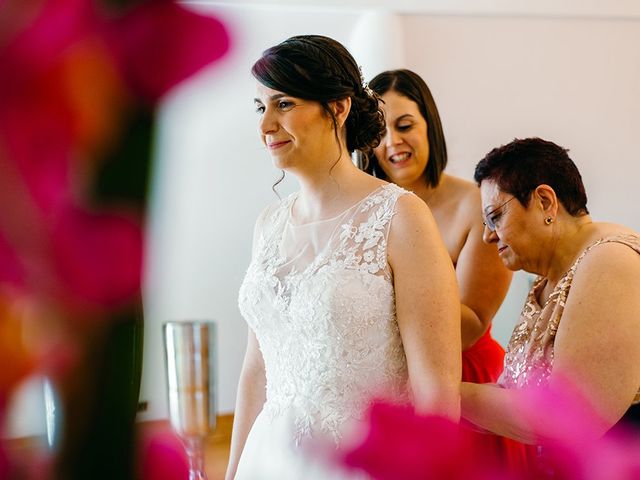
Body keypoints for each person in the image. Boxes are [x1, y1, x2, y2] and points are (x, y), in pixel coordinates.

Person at [225, 36, 461, 480]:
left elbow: (437, 394)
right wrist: (233, 471)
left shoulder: (400, 216)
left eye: (284, 103)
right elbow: (257, 370)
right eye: (261, 108)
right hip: (268, 463)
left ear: (338, 107)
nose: (266, 126)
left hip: (360, 465)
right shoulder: (267, 225)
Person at [367, 69, 531, 471]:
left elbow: (473, 321)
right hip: (385, 380)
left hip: (465, 378)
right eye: (379, 133)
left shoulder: (473, 205)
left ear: (430, 126)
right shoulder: (366, 210)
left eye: (405, 125)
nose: (393, 142)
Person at [461, 137, 640, 450]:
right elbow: (515, 398)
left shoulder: (611, 260)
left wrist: (439, 392)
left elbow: (569, 416)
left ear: (545, 201)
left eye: (495, 216)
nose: (488, 236)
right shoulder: (546, 283)